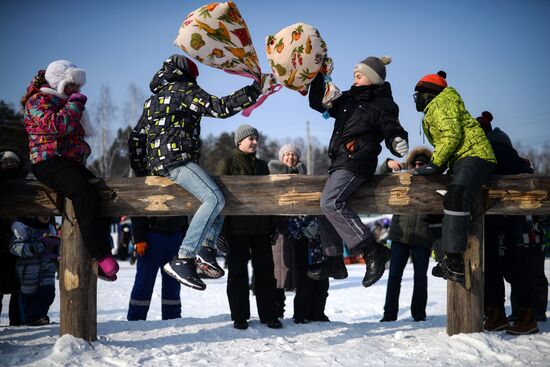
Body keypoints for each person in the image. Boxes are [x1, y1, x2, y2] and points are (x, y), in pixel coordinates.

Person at [129, 54, 263, 291]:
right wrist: (255, 90)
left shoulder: (152, 100)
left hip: (160, 165)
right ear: (186, 74)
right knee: (214, 198)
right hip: (176, 161)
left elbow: (136, 138)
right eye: (195, 75)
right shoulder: (183, 90)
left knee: (220, 191)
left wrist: (142, 173)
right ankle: (183, 257)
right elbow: (219, 108)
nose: (197, 80)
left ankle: (206, 249)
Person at [308, 56, 409, 287]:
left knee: (330, 202)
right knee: (324, 206)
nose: (355, 78)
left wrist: (397, 140)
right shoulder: (347, 99)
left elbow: (391, 126)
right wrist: (318, 76)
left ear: (372, 79)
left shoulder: (382, 103)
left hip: (357, 161)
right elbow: (318, 103)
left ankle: (373, 250)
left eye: (360, 75)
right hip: (340, 161)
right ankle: (334, 260)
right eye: (354, 74)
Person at [21, 60, 119, 281]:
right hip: (47, 161)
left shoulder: (65, 102)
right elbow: (58, 125)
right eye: (71, 85)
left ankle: (103, 249)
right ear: (58, 83)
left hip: (70, 163)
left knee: (100, 192)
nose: (76, 91)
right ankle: (101, 255)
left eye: (78, 87)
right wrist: (74, 104)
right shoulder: (38, 100)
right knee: (82, 192)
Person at [412, 71, 496, 284]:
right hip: (463, 158)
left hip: (474, 155)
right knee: (451, 198)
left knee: (457, 195)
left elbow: (451, 135)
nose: (416, 99)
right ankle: (448, 257)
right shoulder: (438, 105)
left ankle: (455, 260)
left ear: (428, 93)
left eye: (418, 94)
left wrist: (435, 164)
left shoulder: (441, 103)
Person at [476, 111, 540, 334]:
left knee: (512, 267)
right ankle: (496, 314)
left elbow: (523, 171)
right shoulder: (485, 148)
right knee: (492, 267)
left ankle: (527, 315)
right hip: (491, 218)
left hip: (507, 218)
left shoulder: (498, 147)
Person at [216, 124, 282, 330]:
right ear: (239, 141)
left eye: (256, 138)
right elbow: (219, 199)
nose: (254, 142)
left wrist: (273, 226)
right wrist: (222, 231)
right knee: (237, 274)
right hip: (236, 230)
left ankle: (269, 315)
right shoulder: (226, 163)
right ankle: (240, 316)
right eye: (250, 138)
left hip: (262, 228)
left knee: (265, 273)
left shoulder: (263, 166)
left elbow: (269, 198)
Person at [269, 144, 330, 324]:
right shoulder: (275, 176)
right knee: (281, 275)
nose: (290, 157)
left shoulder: (305, 177)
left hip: (306, 229)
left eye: (293, 154)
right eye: (286, 154)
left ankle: (313, 311)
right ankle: (280, 311)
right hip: (283, 230)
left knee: (310, 272)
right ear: (281, 158)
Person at [379, 147, 436, 322]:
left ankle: (419, 314)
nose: (418, 166)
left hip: (422, 235)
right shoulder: (403, 178)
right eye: (416, 163)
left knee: (420, 277)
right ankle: (389, 314)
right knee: (394, 276)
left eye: (422, 164)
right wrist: (388, 162)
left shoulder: (433, 181)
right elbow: (382, 172)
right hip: (399, 235)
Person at [127, 215, 189, 321]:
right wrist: (140, 238)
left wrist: (185, 237)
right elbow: (137, 209)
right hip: (151, 238)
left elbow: (184, 211)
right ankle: (135, 319)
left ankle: (173, 317)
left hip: (175, 237)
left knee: (173, 282)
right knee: (144, 281)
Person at [10, 216, 59, 326]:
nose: (45, 215)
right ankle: (28, 320)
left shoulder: (51, 229)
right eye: (41, 213)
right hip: (28, 270)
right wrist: (37, 247)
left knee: (48, 293)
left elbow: (57, 247)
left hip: (47, 269)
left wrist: (56, 249)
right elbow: (13, 247)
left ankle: (35, 317)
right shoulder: (23, 229)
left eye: (47, 213)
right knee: (28, 297)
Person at [0, 150, 26, 326]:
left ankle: (17, 321)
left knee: (20, 284)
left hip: (21, 241)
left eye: (13, 161)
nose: (9, 164)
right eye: (5, 161)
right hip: (1, 240)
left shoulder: (26, 183)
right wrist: (11, 222)